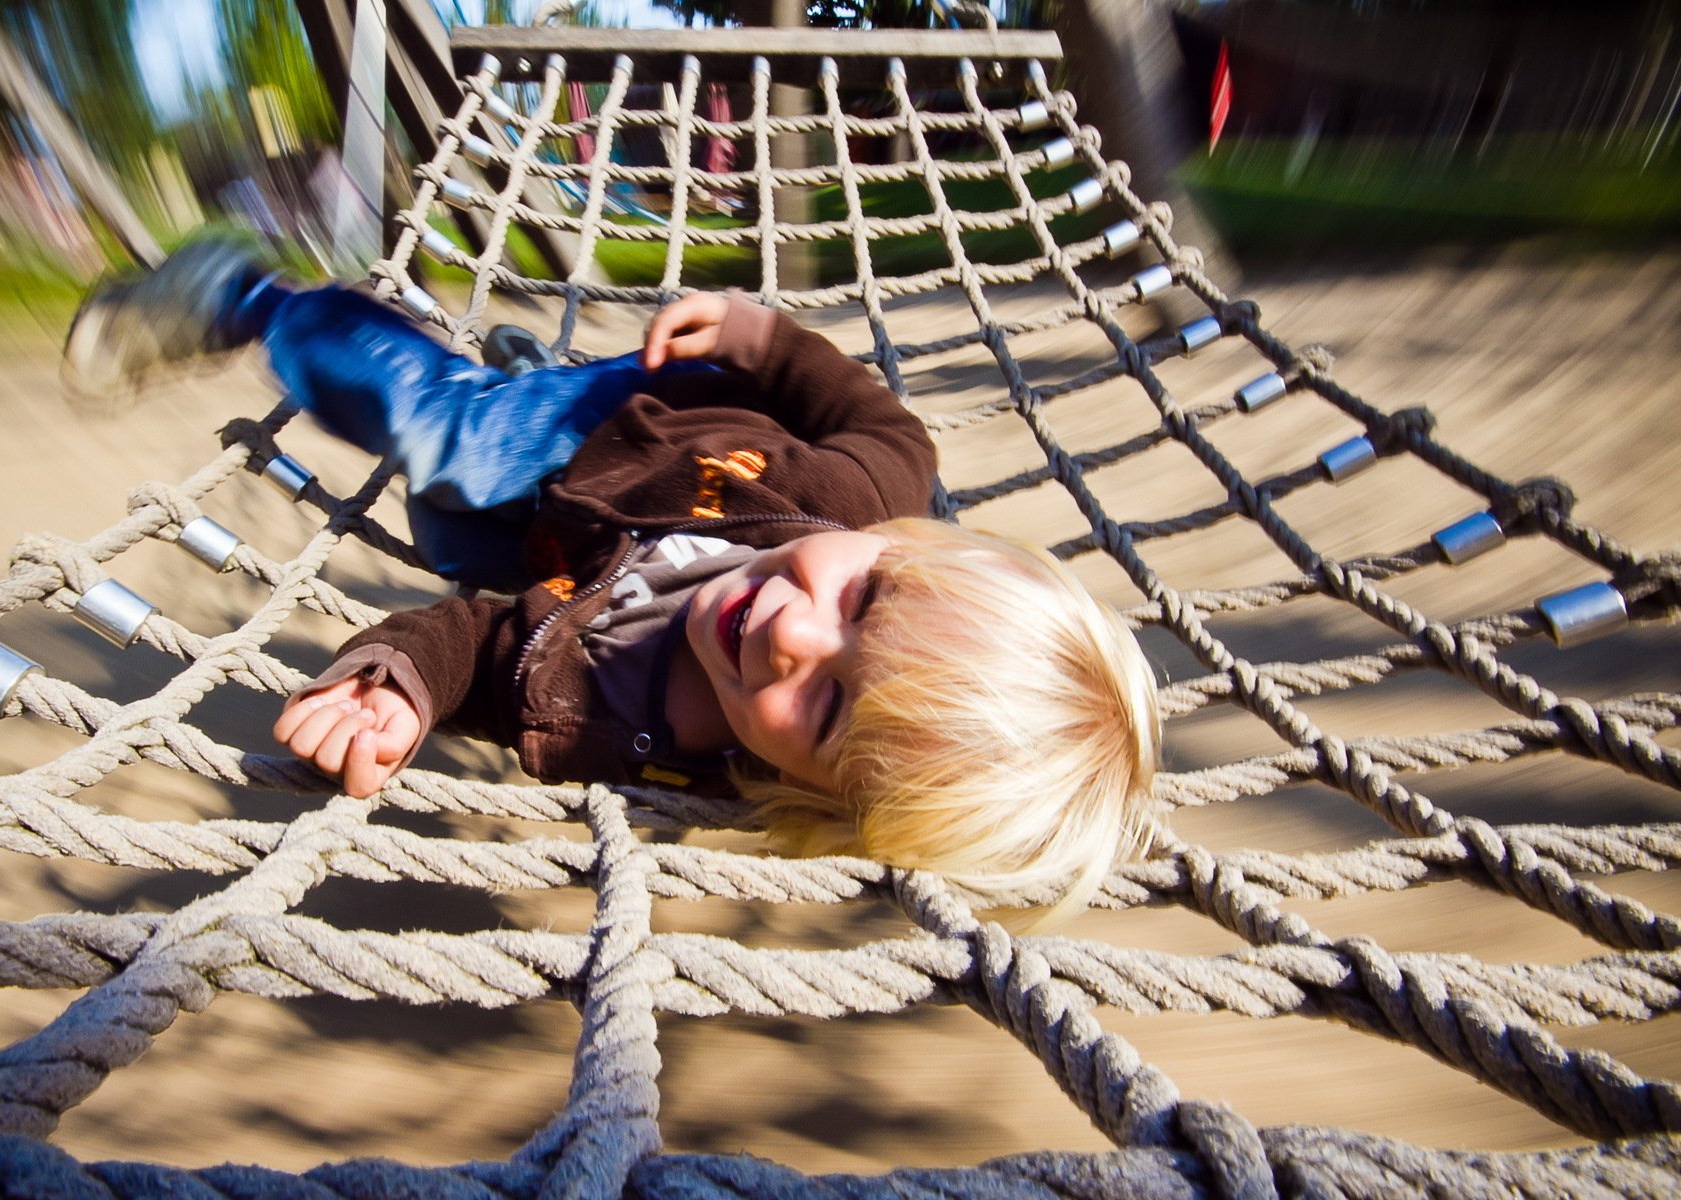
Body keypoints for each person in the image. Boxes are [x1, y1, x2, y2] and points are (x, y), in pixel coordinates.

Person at [65, 238, 1162, 922]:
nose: (791, 636)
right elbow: (877, 414)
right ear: (902, 549)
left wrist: (404, 678)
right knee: (453, 438)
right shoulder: (867, 491)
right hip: (645, 427)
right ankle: (251, 296)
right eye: (863, 599)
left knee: (449, 532)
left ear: (821, 793)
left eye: (826, 705)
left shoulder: (630, 721)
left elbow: (493, 652)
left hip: (567, 562)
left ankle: (519, 371)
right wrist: (759, 337)